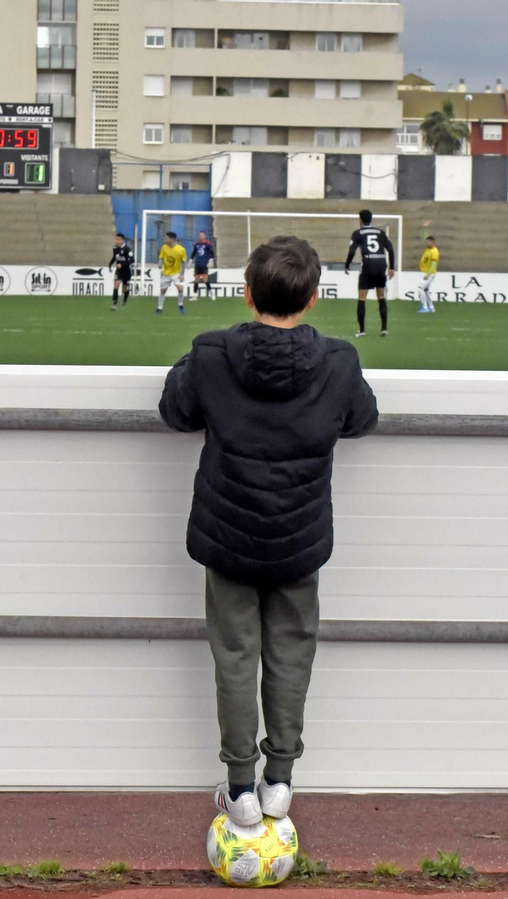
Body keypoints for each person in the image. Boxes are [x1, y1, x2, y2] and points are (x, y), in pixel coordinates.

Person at [159, 235, 378, 828]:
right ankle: (278, 780)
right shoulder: (338, 362)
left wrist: (189, 366)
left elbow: (175, 412)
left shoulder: (211, 354)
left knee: (235, 656)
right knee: (291, 652)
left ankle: (240, 787)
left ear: (248, 293)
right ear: (312, 298)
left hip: (228, 535)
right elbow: (363, 419)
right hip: (299, 537)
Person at [346, 209, 395, 338]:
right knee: (381, 296)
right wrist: (392, 267)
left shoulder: (358, 233)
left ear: (360, 220)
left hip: (368, 265)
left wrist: (347, 264)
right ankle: (384, 329)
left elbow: (352, 251)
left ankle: (362, 330)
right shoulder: (380, 232)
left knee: (362, 297)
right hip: (381, 264)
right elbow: (390, 249)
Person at [157, 231, 187, 315]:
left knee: (180, 289)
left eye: (166, 238)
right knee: (163, 291)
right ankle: (159, 308)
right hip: (166, 273)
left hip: (176, 273)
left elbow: (184, 262)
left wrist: (182, 274)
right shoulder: (164, 248)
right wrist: (160, 263)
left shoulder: (181, 249)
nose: (165, 240)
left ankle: (180, 305)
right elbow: (161, 257)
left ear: (172, 239)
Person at [107, 233, 134, 311]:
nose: (117, 241)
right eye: (116, 239)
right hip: (119, 271)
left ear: (123, 240)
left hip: (126, 270)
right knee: (116, 285)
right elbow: (114, 257)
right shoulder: (115, 248)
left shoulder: (127, 249)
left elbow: (132, 260)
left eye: (119, 239)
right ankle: (114, 304)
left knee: (124, 289)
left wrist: (122, 264)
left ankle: (124, 302)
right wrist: (110, 265)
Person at [416, 233, 440, 314]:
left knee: (420, 288)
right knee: (426, 290)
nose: (426, 243)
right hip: (426, 273)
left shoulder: (434, 251)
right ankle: (431, 307)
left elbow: (434, 264)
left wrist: (428, 274)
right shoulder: (428, 249)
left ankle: (425, 307)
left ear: (432, 242)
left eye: (428, 242)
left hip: (429, 274)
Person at [191, 230, 216, 299]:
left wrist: (211, 259)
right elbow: (194, 252)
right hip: (197, 264)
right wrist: (191, 259)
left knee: (205, 279)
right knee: (196, 279)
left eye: (202, 235)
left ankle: (211, 293)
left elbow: (212, 252)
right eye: (200, 235)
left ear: (204, 236)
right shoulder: (196, 244)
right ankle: (195, 295)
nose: (201, 236)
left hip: (204, 264)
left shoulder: (207, 243)